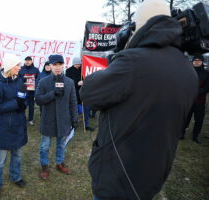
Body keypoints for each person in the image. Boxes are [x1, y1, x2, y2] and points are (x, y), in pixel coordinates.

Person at [79, 0, 198, 199]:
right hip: (153, 174)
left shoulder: (133, 61)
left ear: (140, 26)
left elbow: (89, 93)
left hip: (119, 175)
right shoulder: (188, 70)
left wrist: (120, 55)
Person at [0, 53, 27, 199]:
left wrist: (22, 102)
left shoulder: (20, 81)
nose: (20, 67)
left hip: (18, 124)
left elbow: (21, 100)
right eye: (18, 65)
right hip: (4, 127)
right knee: (0, 160)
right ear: (10, 67)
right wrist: (15, 103)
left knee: (17, 155)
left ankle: (15, 177)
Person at [35, 54, 78, 180]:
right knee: (45, 146)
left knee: (61, 145)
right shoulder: (43, 82)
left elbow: (73, 102)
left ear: (63, 65)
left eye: (60, 64)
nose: (58, 67)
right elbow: (38, 100)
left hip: (64, 120)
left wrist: (74, 119)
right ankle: (44, 166)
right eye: (55, 65)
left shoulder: (69, 82)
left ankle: (59, 163)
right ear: (50, 66)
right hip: (48, 120)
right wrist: (52, 94)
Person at [181, 55, 209, 144]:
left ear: (202, 62)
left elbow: (207, 87)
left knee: (199, 119)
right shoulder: (188, 71)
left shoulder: (206, 73)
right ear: (192, 61)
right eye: (195, 60)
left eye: (199, 60)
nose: (196, 61)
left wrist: (196, 92)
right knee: (185, 118)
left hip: (200, 101)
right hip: (188, 100)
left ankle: (195, 136)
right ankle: (181, 133)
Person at [66, 57, 94, 131]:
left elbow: (87, 77)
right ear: (74, 64)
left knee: (86, 108)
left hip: (83, 92)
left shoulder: (83, 69)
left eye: (79, 64)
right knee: (73, 109)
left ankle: (86, 125)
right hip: (74, 93)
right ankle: (73, 124)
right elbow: (68, 82)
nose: (78, 65)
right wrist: (77, 83)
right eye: (77, 64)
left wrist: (84, 82)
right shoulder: (68, 71)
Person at [19, 56, 40, 126]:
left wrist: (35, 84)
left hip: (32, 91)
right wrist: (23, 80)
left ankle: (30, 119)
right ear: (24, 61)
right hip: (23, 90)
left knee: (31, 106)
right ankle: (22, 119)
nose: (27, 61)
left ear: (31, 61)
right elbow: (17, 78)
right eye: (26, 60)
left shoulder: (36, 69)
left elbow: (39, 79)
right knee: (22, 105)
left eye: (29, 60)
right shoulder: (20, 69)